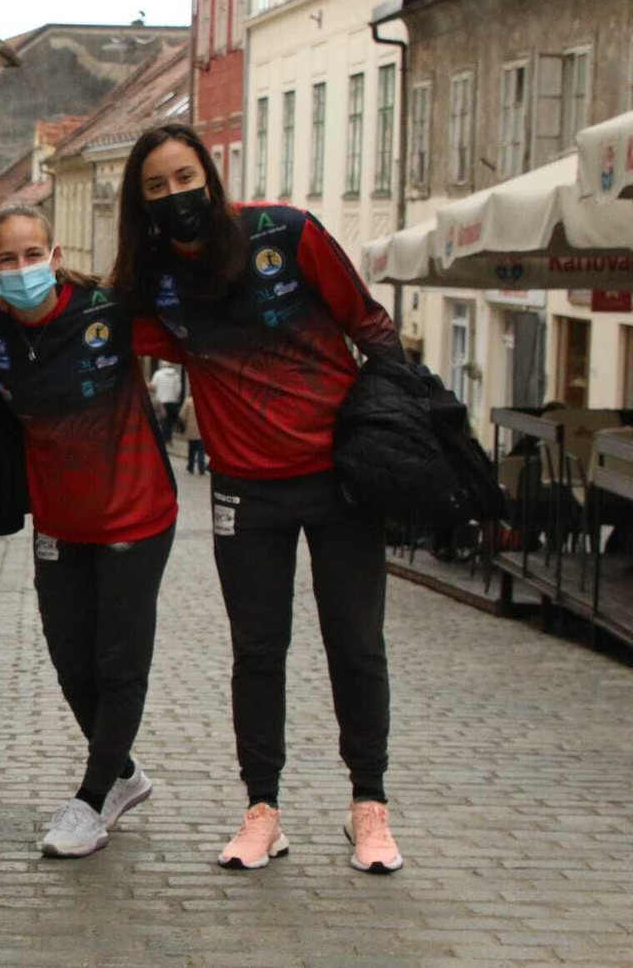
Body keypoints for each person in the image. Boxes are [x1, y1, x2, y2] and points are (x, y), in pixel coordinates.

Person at [113, 123, 407, 875]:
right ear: (140, 206)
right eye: (155, 188)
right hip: (246, 489)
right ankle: (262, 809)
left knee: (356, 642)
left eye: (184, 178)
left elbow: (368, 324)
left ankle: (367, 806)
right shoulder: (155, 286)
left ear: (209, 179)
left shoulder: (287, 233)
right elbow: (127, 336)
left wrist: (399, 429)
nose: (175, 195)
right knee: (256, 648)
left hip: (338, 479)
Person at [0, 205, 175, 859]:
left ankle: (90, 800)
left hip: (135, 513)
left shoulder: (106, 312)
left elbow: (194, 328)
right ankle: (123, 773)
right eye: (9, 258)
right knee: (70, 663)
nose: (23, 268)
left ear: (54, 257)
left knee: (119, 660)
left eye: (34, 254)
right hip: (58, 520)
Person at [150, 362, 184, 445]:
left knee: (161, 420)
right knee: (169, 421)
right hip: (172, 401)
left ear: (162, 366)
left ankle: (162, 439)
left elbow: (153, 387)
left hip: (161, 401)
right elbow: (178, 389)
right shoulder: (176, 375)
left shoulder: (157, 374)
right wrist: (174, 397)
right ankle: (168, 438)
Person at [181, 395, 207, 475]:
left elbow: (182, 415)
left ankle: (190, 467)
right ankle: (201, 468)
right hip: (202, 430)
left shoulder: (188, 401)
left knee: (191, 450)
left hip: (191, 429)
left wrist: (185, 423)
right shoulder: (204, 401)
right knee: (201, 450)